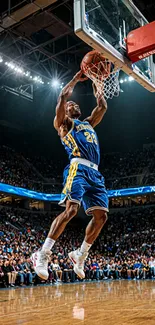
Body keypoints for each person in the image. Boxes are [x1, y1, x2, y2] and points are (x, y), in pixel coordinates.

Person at [31, 70, 109, 280]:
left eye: (75, 105)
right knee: (71, 210)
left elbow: (102, 106)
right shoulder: (64, 124)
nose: (73, 105)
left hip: (95, 173)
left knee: (101, 217)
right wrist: (77, 78)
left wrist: (96, 82)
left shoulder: (88, 123)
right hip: (77, 168)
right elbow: (62, 97)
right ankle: (43, 254)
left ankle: (80, 255)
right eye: (69, 106)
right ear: (64, 112)